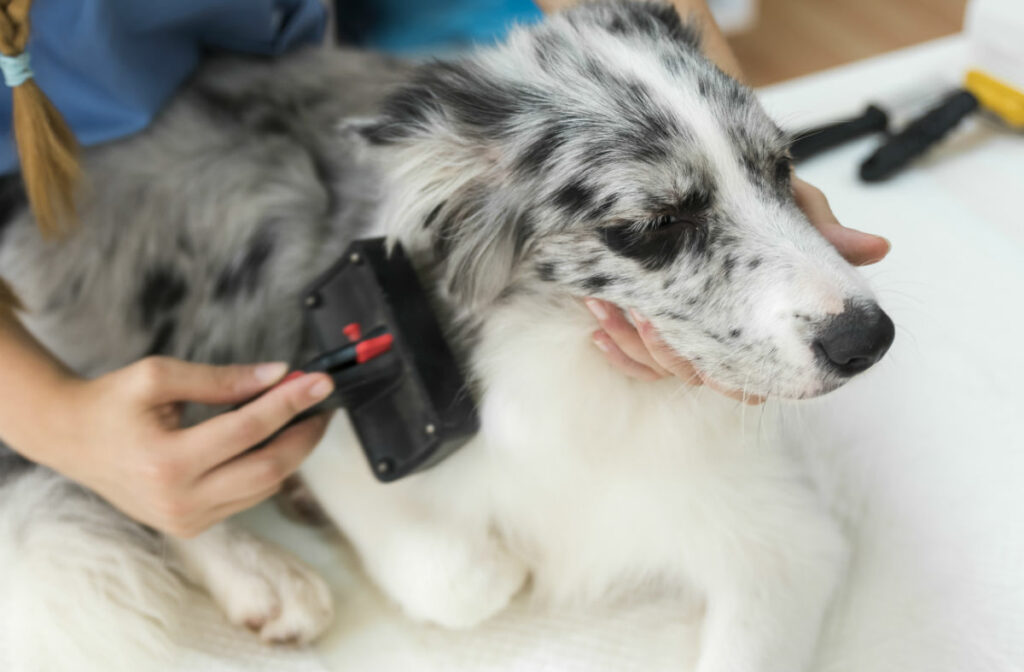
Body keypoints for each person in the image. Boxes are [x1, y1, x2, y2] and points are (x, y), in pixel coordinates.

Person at [0, 0, 889, 537]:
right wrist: (60, 425)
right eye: (657, 222)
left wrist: (734, 149)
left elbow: (633, 22)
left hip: (354, 44)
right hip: (87, 176)